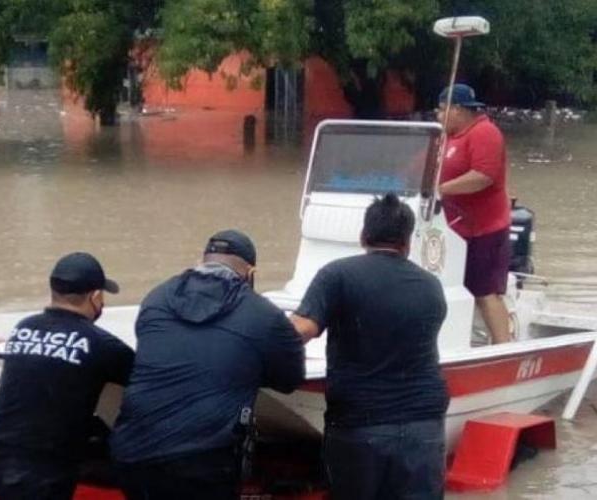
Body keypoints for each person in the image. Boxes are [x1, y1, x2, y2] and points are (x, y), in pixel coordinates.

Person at [110, 229, 305, 500]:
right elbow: (290, 379)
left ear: (202, 261)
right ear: (250, 273)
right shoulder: (264, 315)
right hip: (203, 464)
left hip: (131, 453)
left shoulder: (157, 298)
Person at [291, 194, 449, 500]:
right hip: (424, 428)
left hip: (361, 425)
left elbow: (302, 329)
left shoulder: (338, 275)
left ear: (363, 236)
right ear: (407, 242)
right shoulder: (431, 286)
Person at [0, 252, 134, 500]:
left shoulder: (24, 327)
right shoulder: (103, 345)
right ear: (95, 297)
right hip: (44, 471)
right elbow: (148, 381)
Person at [437, 83, 512, 344]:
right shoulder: (446, 137)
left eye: (441, 109)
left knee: (485, 290)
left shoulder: (484, 133)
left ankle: (504, 346)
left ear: (457, 110)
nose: (438, 115)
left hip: (485, 228)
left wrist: (440, 189)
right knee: (455, 287)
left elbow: (484, 176)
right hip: (455, 228)